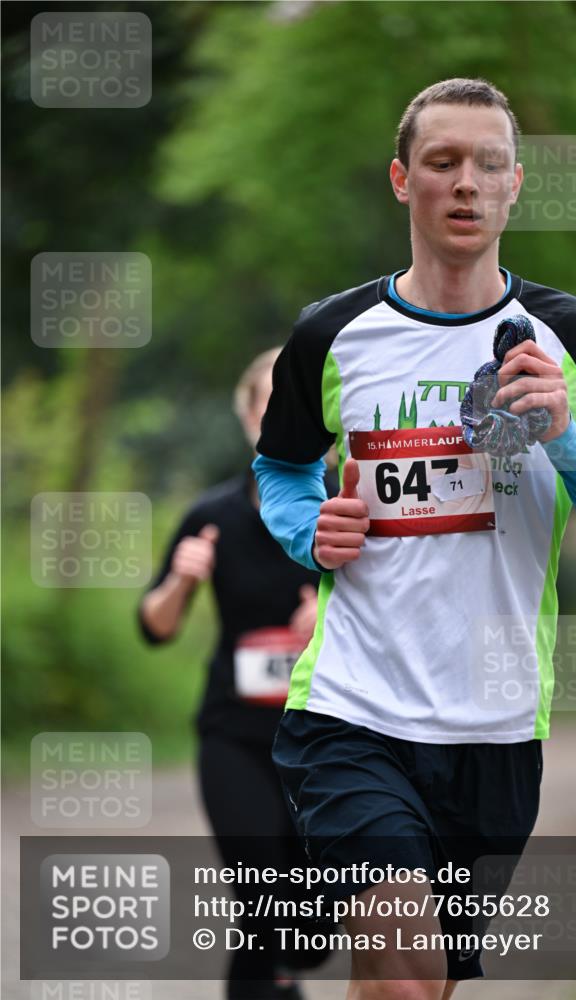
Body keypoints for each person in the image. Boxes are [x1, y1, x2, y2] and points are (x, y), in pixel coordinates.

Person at [251, 79, 576, 1000]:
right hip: (351, 709)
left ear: (516, 185)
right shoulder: (332, 335)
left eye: (486, 165)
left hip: (497, 725)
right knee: (401, 975)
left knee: (424, 985)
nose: (465, 184)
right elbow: (279, 470)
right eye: (442, 163)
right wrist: (304, 530)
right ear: (403, 180)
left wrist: (567, 441)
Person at [139, 348, 338, 1000]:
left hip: (330, 739)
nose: (280, 417)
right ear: (248, 417)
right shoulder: (213, 515)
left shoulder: (350, 507)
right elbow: (153, 627)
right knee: (261, 895)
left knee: (310, 928)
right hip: (236, 734)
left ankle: (285, 975)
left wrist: (331, 618)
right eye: (267, 405)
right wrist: (179, 579)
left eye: (295, 405)